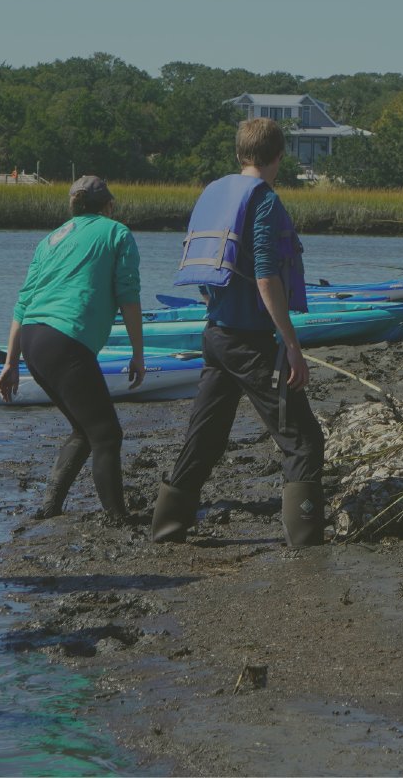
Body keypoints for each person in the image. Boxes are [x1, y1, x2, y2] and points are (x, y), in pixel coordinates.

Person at [151, 118, 326, 546]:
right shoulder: (263, 201)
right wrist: (291, 343)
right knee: (304, 440)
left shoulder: (216, 194)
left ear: (239, 154)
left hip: (216, 335)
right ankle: (306, 541)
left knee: (206, 437)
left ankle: (166, 528)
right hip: (249, 342)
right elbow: (266, 275)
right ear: (278, 158)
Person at [0, 176, 144, 524]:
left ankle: (49, 508)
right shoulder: (117, 232)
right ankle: (117, 517)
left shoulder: (50, 239)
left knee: (85, 427)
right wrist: (138, 353)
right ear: (108, 205)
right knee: (107, 434)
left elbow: (23, 302)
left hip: (32, 339)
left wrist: (11, 362)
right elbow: (128, 295)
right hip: (65, 340)